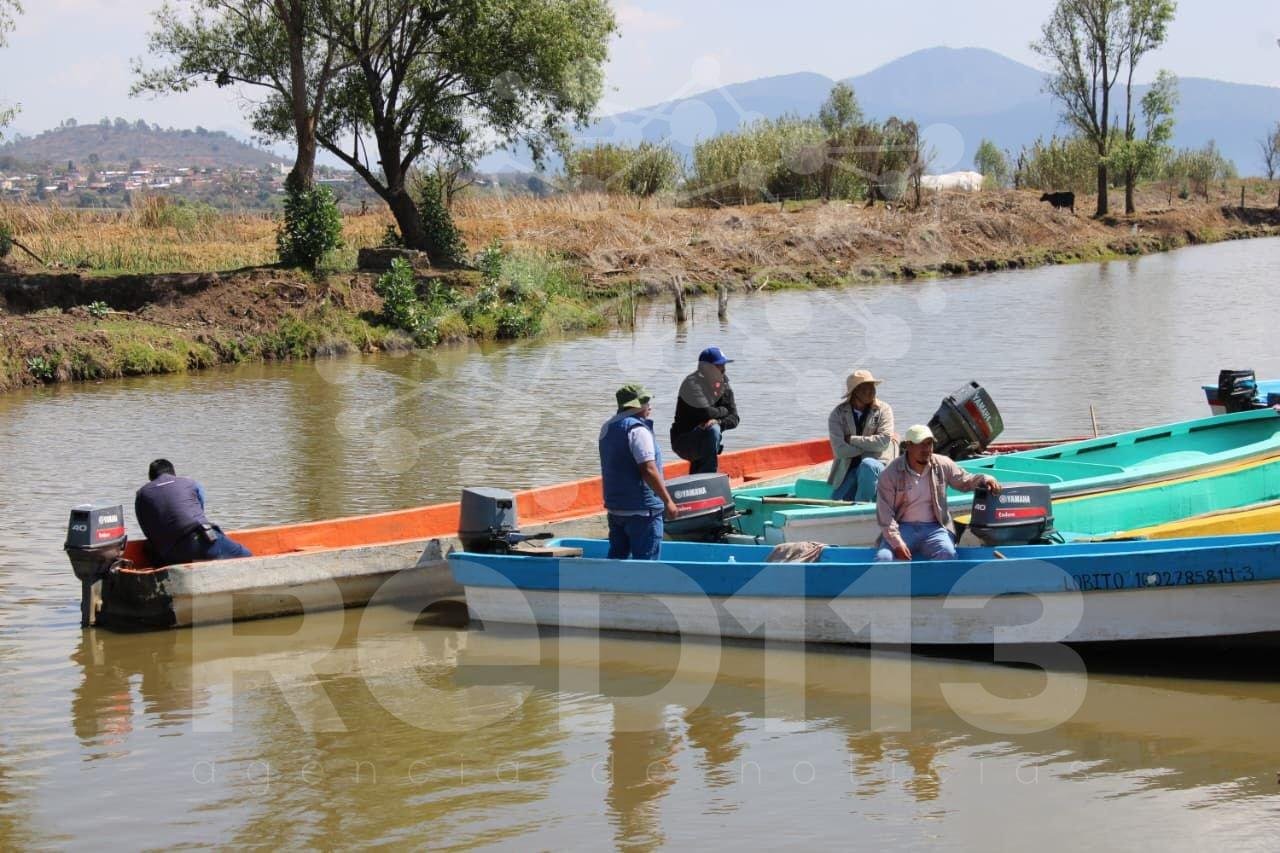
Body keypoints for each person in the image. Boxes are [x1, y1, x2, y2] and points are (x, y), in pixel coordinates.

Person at [874, 425, 1001, 562]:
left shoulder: (942, 464)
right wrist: (897, 542)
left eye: (929, 444)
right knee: (884, 558)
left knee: (948, 553)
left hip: (935, 527)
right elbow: (885, 516)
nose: (926, 449)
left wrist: (985, 478)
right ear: (908, 446)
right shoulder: (890, 473)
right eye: (921, 444)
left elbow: (965, 481)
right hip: (902, 527)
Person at [600, 384, 680, 560]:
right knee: (646, 564)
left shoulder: (607, 427)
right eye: (646, 402)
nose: (649, 406)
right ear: (635, 406)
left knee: (616, 559)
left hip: (616, 509)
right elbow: (648, 470)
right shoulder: (638, 430)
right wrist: (668, 501)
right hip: (643, 511)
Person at [134, 459, 251, 567]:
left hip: (171, 552)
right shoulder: (190, 483)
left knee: (149, 549)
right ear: (173, 473)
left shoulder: (141, 494)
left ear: (150, 478)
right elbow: (200, 512)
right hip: (203, 540)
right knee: (246, 555)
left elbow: (146, 528)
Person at [827, 369, 897, 502]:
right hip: (848, 469)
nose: (871, 390)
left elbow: (883, 442)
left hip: (878, 465)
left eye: (872, 386)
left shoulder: (884, 409)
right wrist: (871, 447)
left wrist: (851, 439)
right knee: (834, 502)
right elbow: (840, 451)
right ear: (854, 392)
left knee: (867, 465)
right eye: (865, 387)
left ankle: (861, 507)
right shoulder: (837, 414)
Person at [670, 346, 740, 475]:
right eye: (719, 366)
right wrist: (724, 411)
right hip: (683, 440)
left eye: (723, 365)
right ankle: (708, 477)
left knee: (714, 428)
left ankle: (699, 476)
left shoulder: (724, 385)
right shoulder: (691, 384)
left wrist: (719, 422)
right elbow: (706, 412)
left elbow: (735, 418)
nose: (723, 369)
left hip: (706, 439)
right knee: (713, 430)